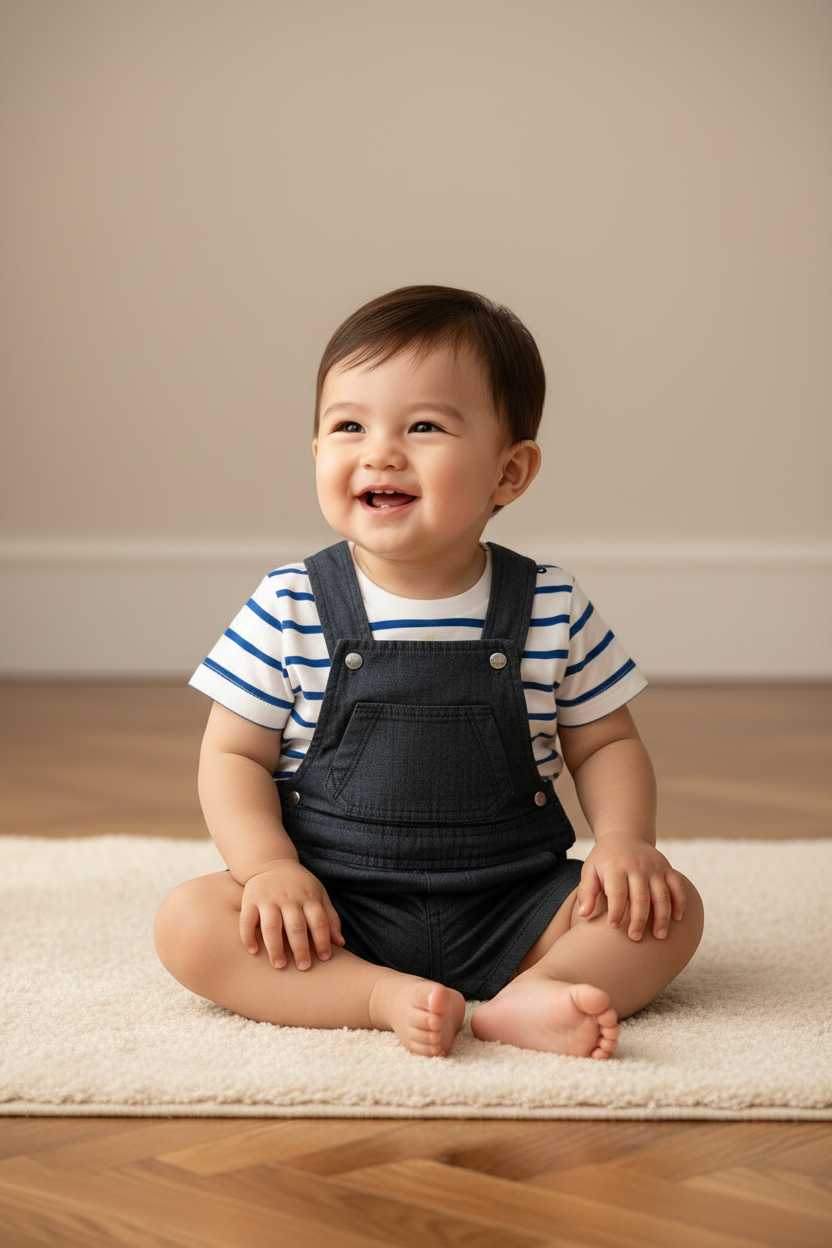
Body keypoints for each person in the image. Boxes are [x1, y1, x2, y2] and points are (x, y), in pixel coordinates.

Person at [154, 285, 704, 1060]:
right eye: (348, 426)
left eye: (423, 427)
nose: (379, 451)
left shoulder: (548, 603)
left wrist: (624, 841)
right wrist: (270, 869)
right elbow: (231, 755)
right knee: (188, 921)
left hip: (515, 900)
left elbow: (606, 743)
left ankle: (530, 995)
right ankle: (376, 995)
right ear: (318, 455)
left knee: (668, 909)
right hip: (336, 907)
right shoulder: (290, 603)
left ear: (509, 473)